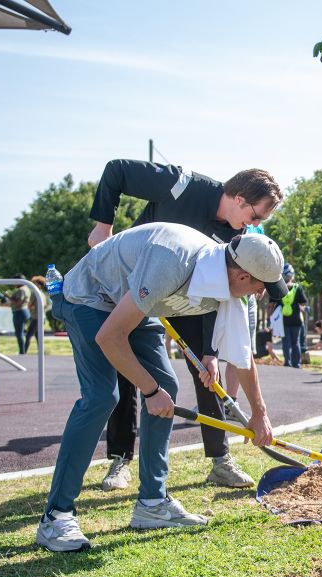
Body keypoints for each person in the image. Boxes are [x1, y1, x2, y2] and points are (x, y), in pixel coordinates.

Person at [36, 224, 287, 552]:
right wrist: (151, 392)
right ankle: (56, 516)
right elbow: (109, 337)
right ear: (243, 277)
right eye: (261, 287)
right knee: (102, 396)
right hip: (89, 296)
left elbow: (243, 357)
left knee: (166, 383)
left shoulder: (232, 283)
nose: (260, 295)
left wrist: (259, 413)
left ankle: (152, 504)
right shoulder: (172, 262)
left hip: (133, 302)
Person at [84, 160, 283, 491]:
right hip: (142, 286)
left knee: (209, 372)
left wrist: (209, 351)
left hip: (188, 298)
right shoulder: (182, 184)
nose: (255, 225)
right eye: (256, 216)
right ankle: (120, 461)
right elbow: (116, 170)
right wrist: (103, 227)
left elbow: (216, 290)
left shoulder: (236, 237)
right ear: (239, 199)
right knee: (128, 365)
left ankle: (220, 461)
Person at [276, 263, 308, 368]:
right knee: (296, 342)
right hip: (297, 319)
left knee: (286, 342)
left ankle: (287, 362)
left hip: (284, 319)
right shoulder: (297, 288)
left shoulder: (279, 288)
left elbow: (272, 304)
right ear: (292, 275)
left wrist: (269, 317)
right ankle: (296, 363)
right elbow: (303, 302)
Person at [8, 274, 33, 354]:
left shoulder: (21, 290)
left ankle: (22, 352)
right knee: (21, 333)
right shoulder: (27, 288)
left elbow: (18, 302)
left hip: (19, 312)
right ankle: (22, 351)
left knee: (19, 333)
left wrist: (8, 296)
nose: (14, 284)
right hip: (24, 311)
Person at [24, 275, 48, 354]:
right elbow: (45, 305)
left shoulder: (35, 293)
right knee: (38, 336)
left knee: (28, 335)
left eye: (34, 283)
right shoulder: (43, 294)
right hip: (42, 317)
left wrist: (30, 308)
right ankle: (41, 351)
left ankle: (23, 352)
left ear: (39, 284)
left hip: (36, 317)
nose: (33, 285)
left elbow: (29, 305)